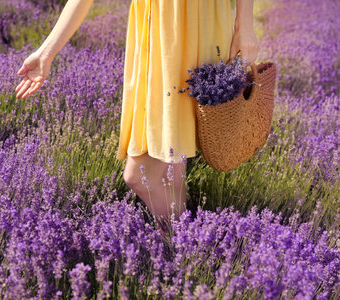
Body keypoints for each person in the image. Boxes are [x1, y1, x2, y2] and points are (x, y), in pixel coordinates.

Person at [15, 0, 260, 241]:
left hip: (192, 23)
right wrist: (46, 53)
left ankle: (186, 248)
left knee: (140, 176)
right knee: (169, 172)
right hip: (158, 32)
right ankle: (186, 252)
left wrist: (244, 27)